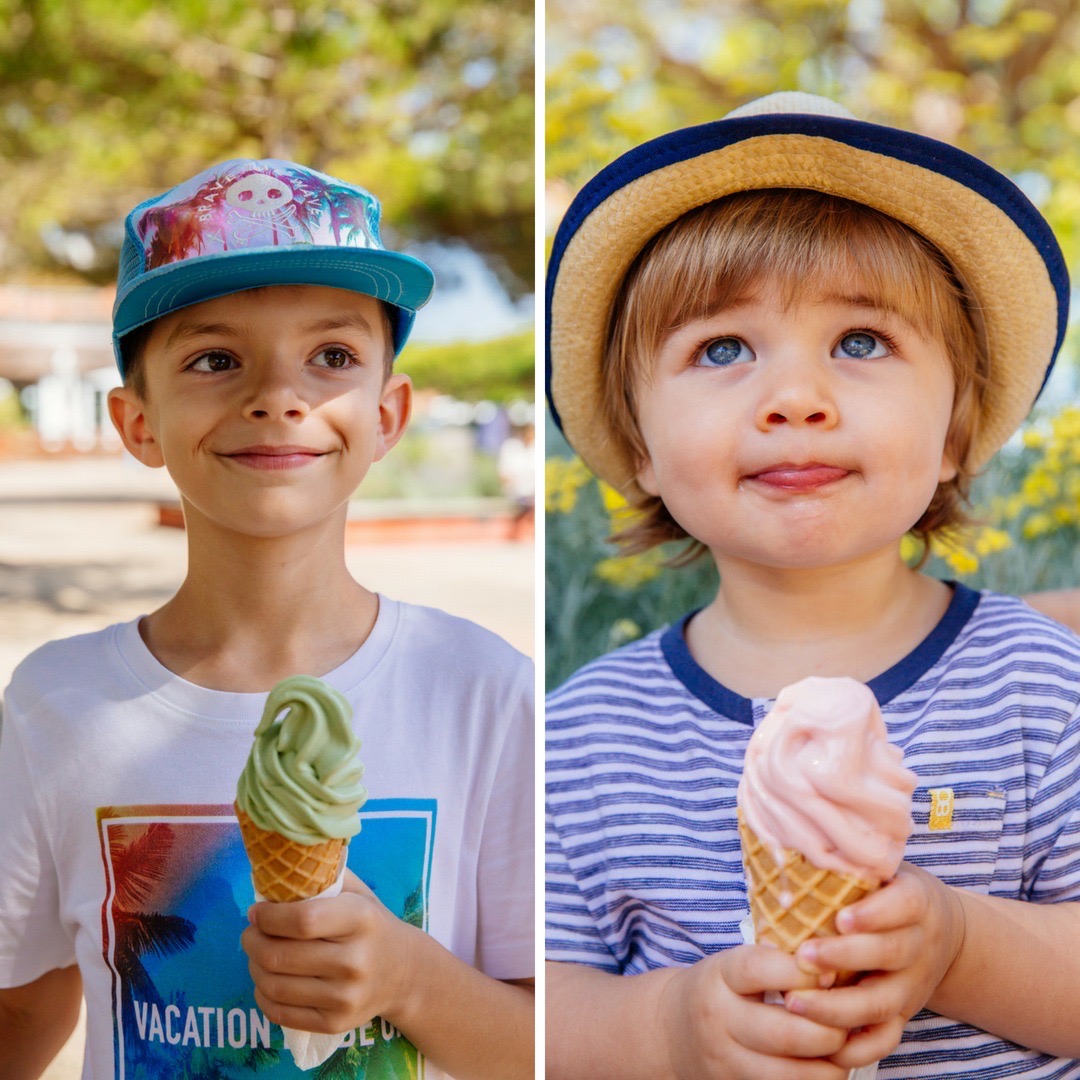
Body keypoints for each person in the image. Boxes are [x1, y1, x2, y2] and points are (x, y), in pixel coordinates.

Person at [545, 93, 1080, 1079]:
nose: (796, 399)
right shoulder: (584, 735)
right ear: (639, 447)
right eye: (723, 349)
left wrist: (963, 948)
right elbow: (541, 1012)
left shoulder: (1045, 688)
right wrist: (665, 1029)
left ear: (958, 426)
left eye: (862, 343)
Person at [0, 159, 534, 1080]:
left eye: (332, 357)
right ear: (138, 424)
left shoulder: (484, 691)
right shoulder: (55, 703)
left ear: (387, 413)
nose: (278, 397)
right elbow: (24, 1006)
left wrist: (410, 979)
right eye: (214, 359)